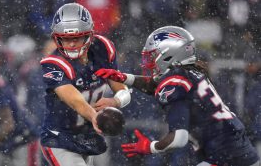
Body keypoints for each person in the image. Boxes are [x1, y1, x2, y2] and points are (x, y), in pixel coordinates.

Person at [95, 26, 260, 166]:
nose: (148, 62)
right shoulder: (191, 72)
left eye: (152, 56)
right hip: (235, 150)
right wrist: (124, 78)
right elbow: (153, 85)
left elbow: (179, 138)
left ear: (168, 55)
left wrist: (150, 147)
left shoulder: (175, 81)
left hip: (224, 155)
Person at [39, 3, 131, 166]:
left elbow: (123, 90)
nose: (72, 44)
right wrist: (94, 116)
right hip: (60, 138)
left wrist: (116, 101)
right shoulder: (54, 63)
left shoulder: (103, 49)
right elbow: (75, 101)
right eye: (66, 39)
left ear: (89, 35)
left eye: (76, 37)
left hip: (88, 136)